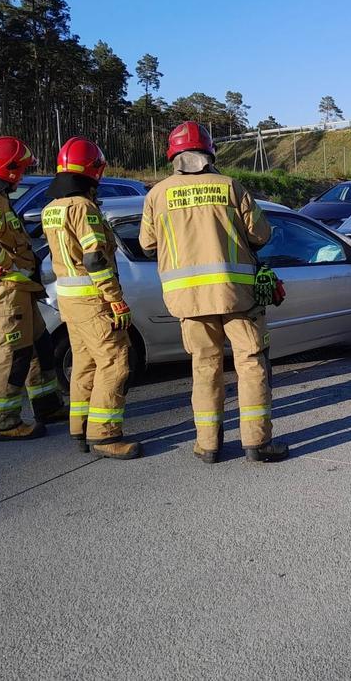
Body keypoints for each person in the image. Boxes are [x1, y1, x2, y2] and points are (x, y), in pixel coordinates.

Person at [139, 121, 288, 464]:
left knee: (205, 369)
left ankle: (208, 445)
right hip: (237, 296)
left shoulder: (157, 194)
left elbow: (147, 245)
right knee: (250, 365)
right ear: (208, 153)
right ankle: (257, 444)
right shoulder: (229, 187)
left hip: (188, 302)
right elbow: (261, 235)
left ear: (173, 156)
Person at [41, 137, 140, 459]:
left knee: (84, 363)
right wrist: (115, 299)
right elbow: (95, 258)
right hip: (93, 299)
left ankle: (80, 427)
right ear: (94, 171)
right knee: (115, 362)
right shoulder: (83, 208)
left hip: (69, 299)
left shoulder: (52, 208)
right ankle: (105, 435)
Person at [0, 136, 65, 440]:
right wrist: (12, 264)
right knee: (12, 354)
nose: (22, 175)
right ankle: (3, 421)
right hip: (7, 290)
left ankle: (47, 405)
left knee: (39, 348)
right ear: (7, 170)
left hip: (20, 289)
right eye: (19, 169)